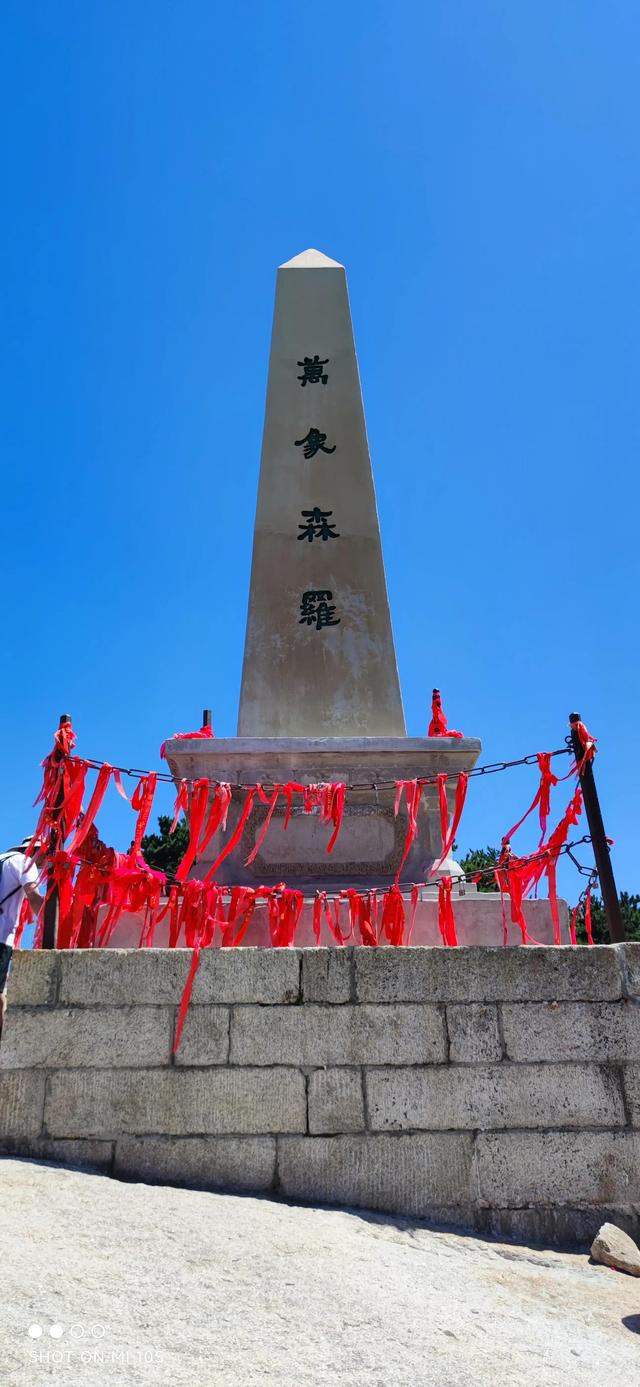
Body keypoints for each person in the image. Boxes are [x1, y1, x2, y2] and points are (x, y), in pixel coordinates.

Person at [0, 837, 45, 1035]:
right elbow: (34, 897)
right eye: (45, 855)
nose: (45, 862)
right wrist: (54, 919)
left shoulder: (3, 858)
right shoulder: (26, 862)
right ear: (37, 851)